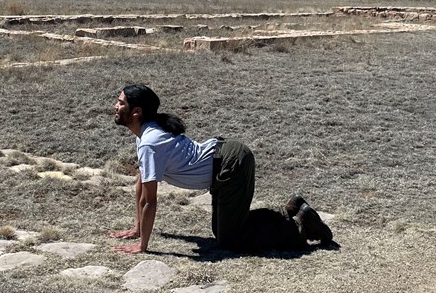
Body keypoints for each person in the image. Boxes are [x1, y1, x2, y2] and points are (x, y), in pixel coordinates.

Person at [110, 84, 332, 254]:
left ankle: (300, 226)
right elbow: (141, 183)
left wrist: (143, 245)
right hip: (224, 162)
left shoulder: (150, 141)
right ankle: (292, 210)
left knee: (230, 240)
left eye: (120, 103)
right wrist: (138, 229)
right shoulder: (145, 134)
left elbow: (150, 200)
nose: (115, 106)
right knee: (225, 230)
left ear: (136, 111)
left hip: (230, 165)